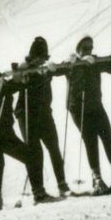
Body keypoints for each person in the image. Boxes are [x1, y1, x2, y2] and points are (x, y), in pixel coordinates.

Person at [0, 61, 47, 212]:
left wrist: (19, 76)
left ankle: (38, 192)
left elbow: (16, 84)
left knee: (29, 155)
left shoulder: (3, 85)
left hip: (5, 131)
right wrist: (1, 81)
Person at [62, 36, 111, 193]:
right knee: (90, 139)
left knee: (107, 135)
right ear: (78, 49)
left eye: (91, 47)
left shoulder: (94, 61)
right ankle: (97, 178)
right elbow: (59, 70)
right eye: (85, 48)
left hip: (95, 105)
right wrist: (69, 63)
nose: (89, 50)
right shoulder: (73, 63)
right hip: (78, 108)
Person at [15, 36, 71, 201]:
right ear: (32, 57)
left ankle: (62, 184)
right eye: (37, 58)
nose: (41, 61)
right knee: (34, 151)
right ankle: (38, 191)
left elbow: (62, 69)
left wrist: (55, 67)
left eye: (43, 58)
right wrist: (24, 71)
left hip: (44, 112)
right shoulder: (26, 68)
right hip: (26, 113)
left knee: (53, 147)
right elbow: (16, 76)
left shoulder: (45, 68)